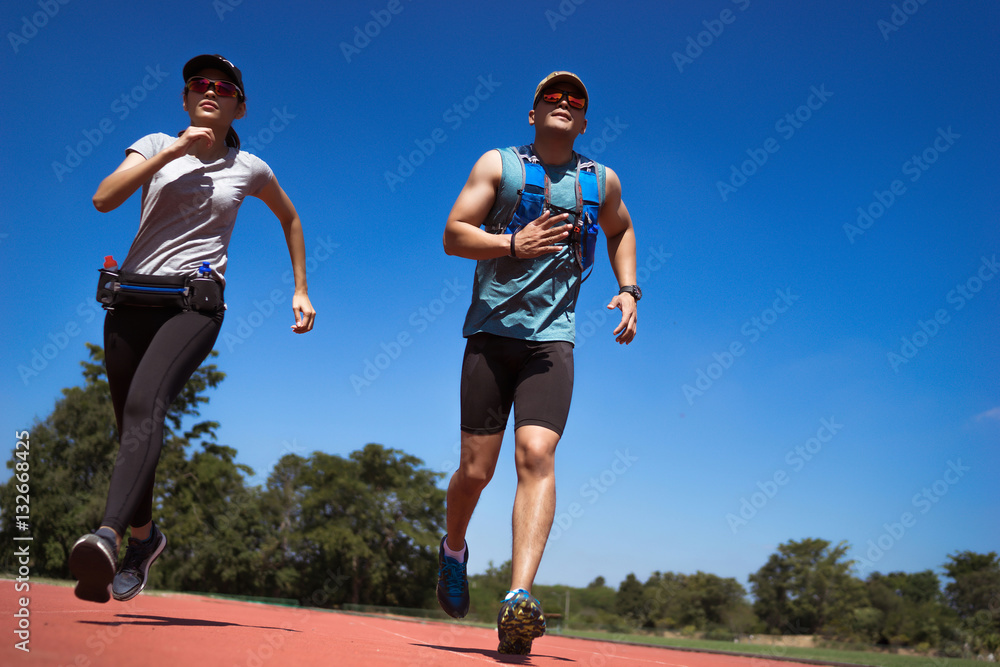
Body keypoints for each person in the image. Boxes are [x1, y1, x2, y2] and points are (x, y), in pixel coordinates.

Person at [68, 54, 316, 603]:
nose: (210, 90)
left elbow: (291, 218)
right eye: (199, 84)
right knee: (130, 428)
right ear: (185, 99)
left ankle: (106, 537)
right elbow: (104, 198)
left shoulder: (250, 168)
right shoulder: (155, 144)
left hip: (193, 306)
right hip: (131, 300)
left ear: (240, 106)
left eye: (223, 87)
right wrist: (176, 151)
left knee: (145, 408)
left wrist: (299, 288)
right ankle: (143, 537)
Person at [437, 71, 639, 654]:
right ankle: (453, 547)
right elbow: (453, 234)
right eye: (552, 97)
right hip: (490, 336)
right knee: (476, 472)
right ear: (533, 114)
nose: (563, 104)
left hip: (553, 340)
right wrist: (511, 245)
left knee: (537, 454)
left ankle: (517, 600)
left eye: (575, 101)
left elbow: (621, 230)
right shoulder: (499, 166)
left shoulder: (600, 181)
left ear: (584, 119)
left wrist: (629, 290)